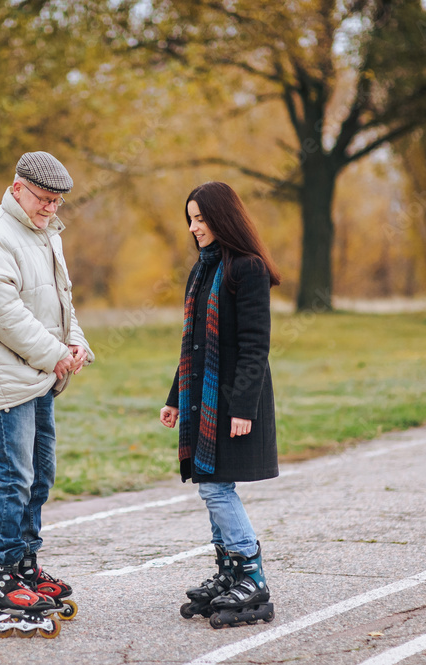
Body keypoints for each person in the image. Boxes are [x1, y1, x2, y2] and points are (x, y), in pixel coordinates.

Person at [0, 151, 94, 637]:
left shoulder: (44, 235)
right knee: (13, 478)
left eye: (57, 202)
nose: (51, 209)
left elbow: (62, 301)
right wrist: (57, 353)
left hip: (39, 378)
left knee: (40, 476)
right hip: (8, 382)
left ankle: (24, 566)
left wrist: (76, 343)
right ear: (18, 188)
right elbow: (4, 316)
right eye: (44, 199)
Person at [160, 181, 281, 628]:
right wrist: (175, 398)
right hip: (201, 404)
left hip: (232, 404)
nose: (194, 227)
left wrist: (243, 409)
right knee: (210, 484)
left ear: (222, 217)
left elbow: (255, 346)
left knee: (215, 488)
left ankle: (252, 575)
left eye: (200, 218)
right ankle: (229, 573)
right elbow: (193, 345)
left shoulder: (247, 269)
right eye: (190, 219)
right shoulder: (202, 269)